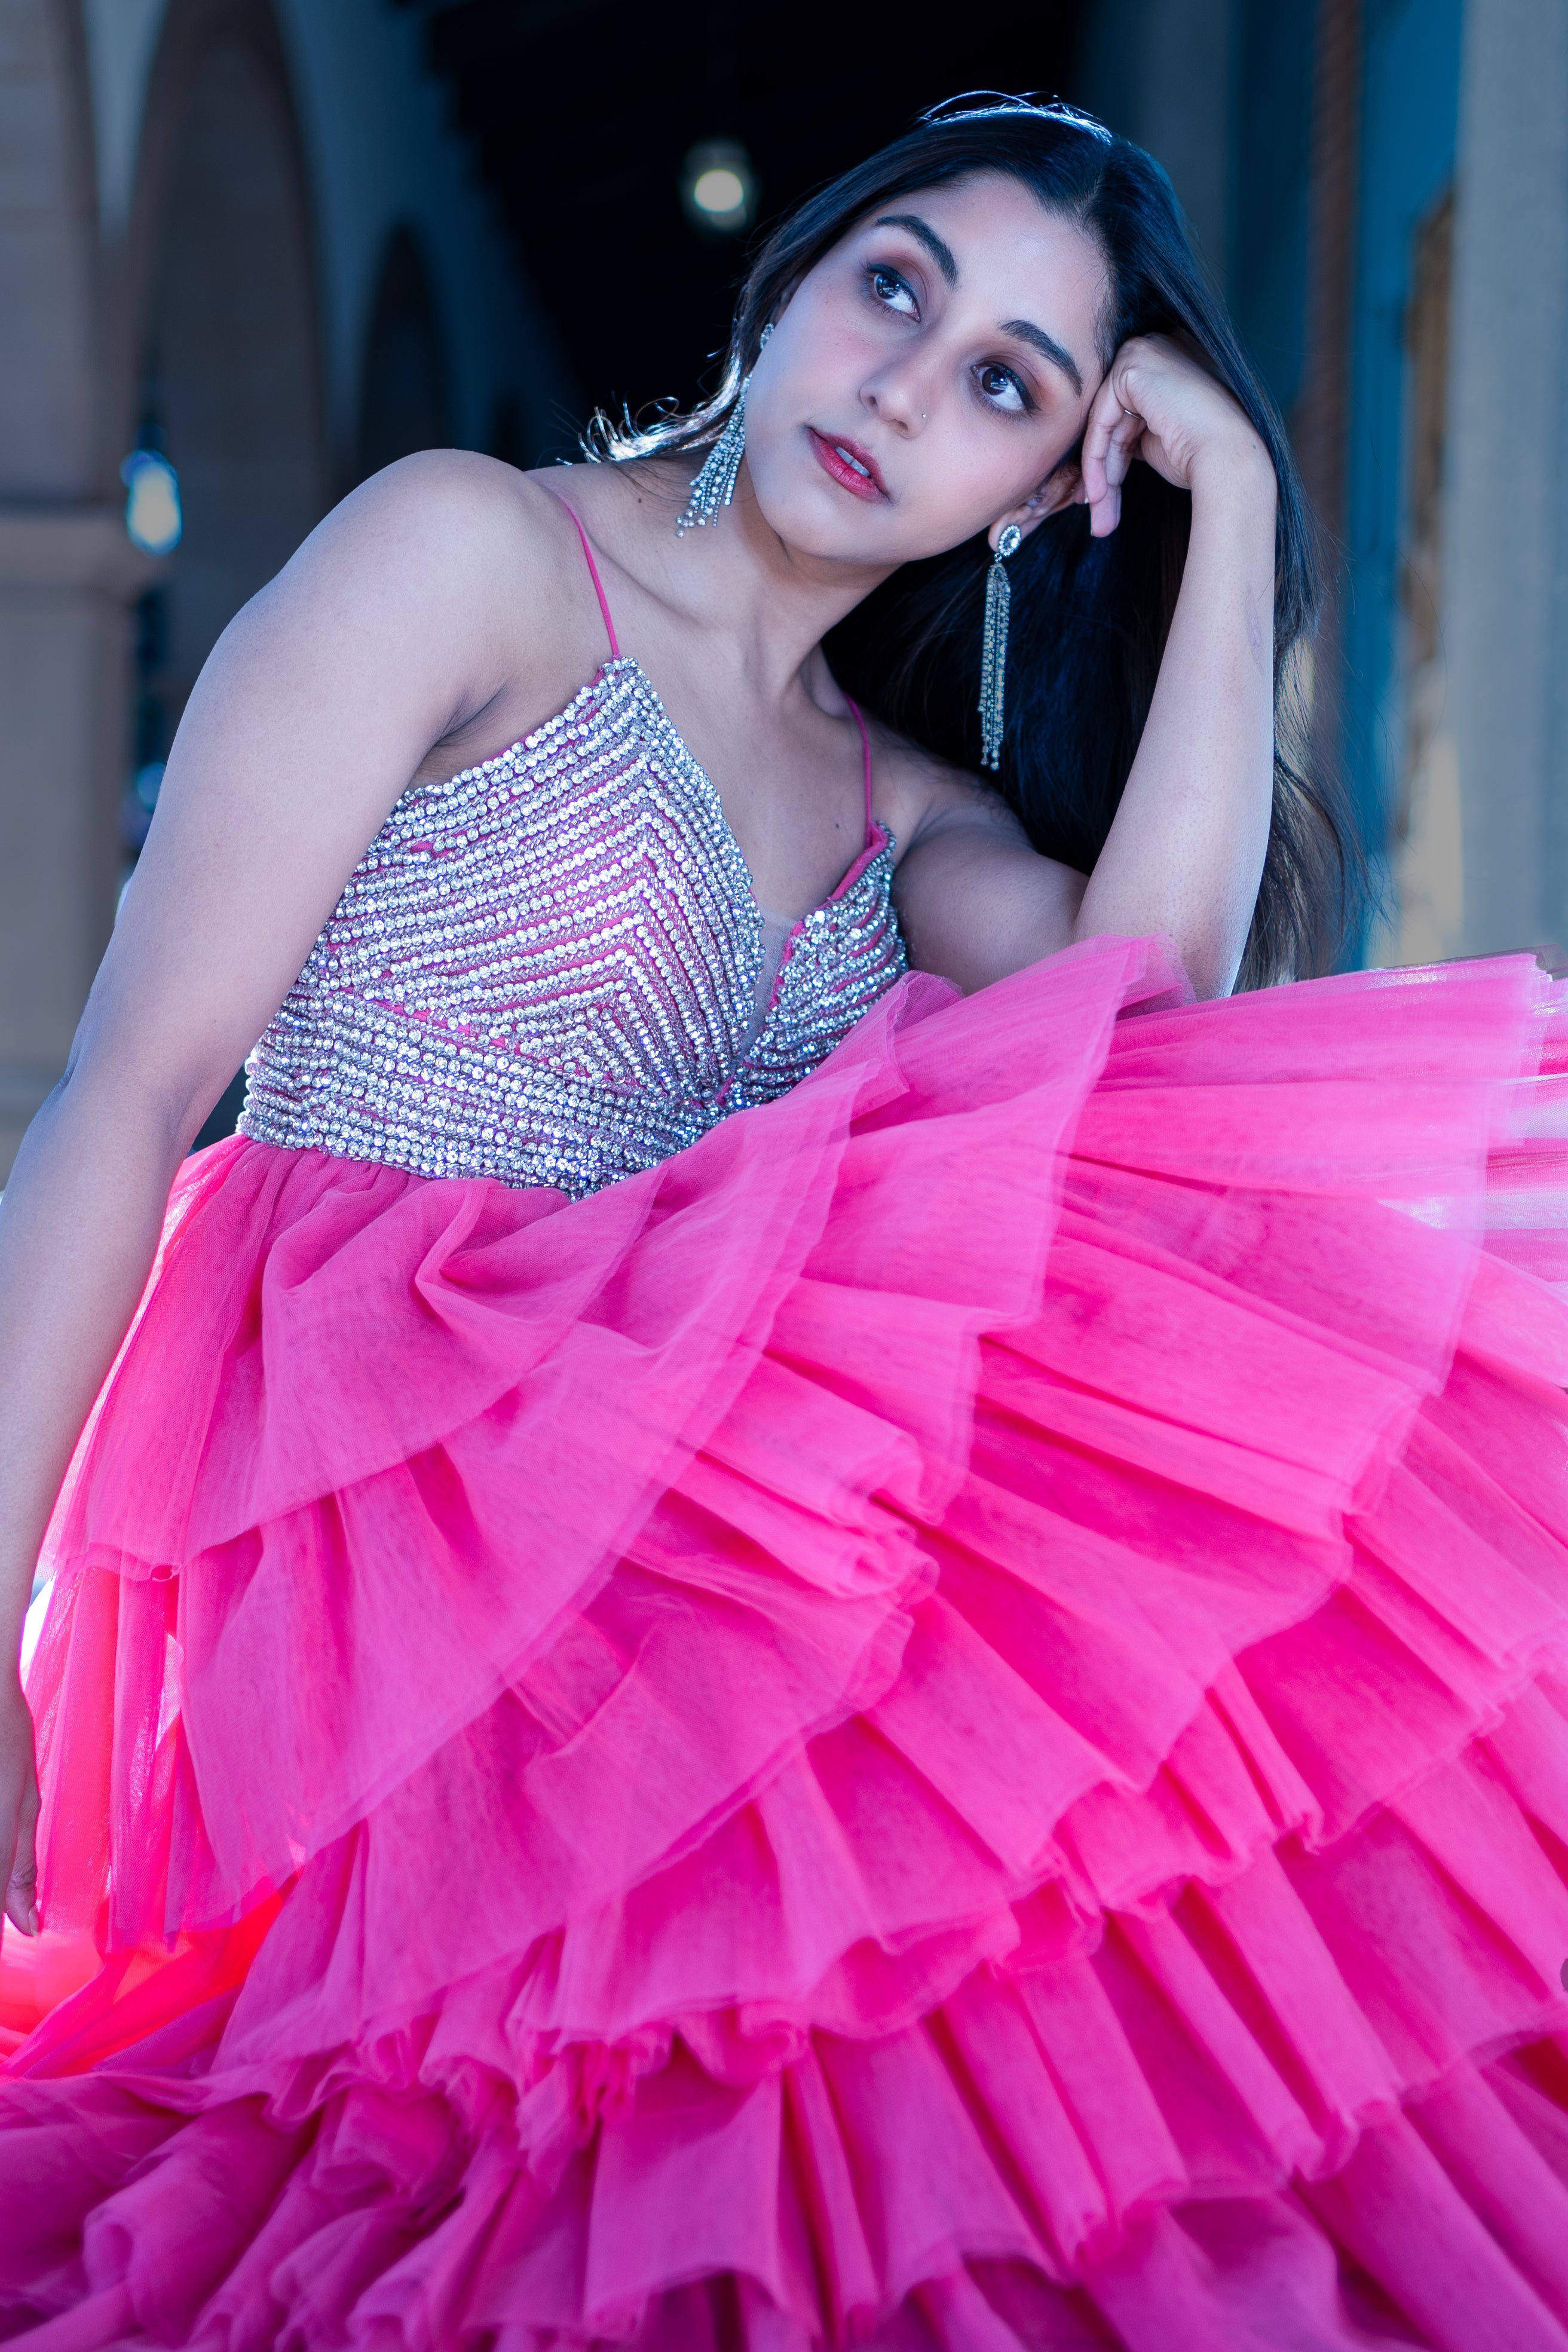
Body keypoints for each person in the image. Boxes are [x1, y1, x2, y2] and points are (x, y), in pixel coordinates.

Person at [1, 92, 1566, 2352]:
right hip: (352, 1536)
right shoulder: (478, 556)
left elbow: (1150, 1014)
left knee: (841, 2126)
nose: (912, 386)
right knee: (388, 2187)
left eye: (1012, 386)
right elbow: (130, 1085)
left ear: (1046, 492)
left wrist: (1232, 515)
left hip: (651, 1593)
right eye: (899, 289)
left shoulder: (902, 803)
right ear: (795, 283)